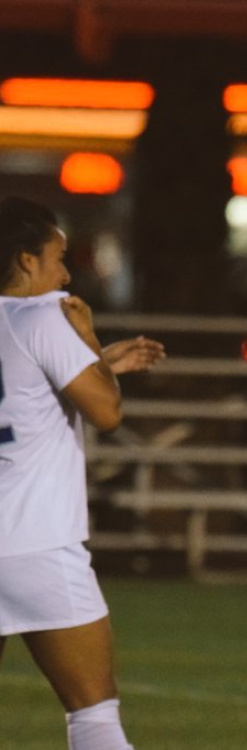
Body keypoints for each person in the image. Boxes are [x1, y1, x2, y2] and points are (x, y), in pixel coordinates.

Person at [0, 195, 165, 749]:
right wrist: (89, 342)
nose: (66, 275)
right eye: (57, 258)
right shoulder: (45, 314)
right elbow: (107, 413)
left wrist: (99, 364)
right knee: (93, 712)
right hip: (36, 543)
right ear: (26, 261)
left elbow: (26, 389)